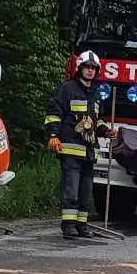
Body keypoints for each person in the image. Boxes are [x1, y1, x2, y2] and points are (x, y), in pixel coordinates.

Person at [46, 50, 114, 238]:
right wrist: (53, 135)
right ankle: (68, 226)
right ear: (80, 69)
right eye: (87, 67)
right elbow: (54, 113)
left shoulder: (95, 93)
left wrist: (105, 130)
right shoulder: (67, 89)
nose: (90, 71)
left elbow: (96, 120)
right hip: (70, 149)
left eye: (93, 68)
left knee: (86, 191)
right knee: (71, 189)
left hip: (89, 151)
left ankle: (82, 225)